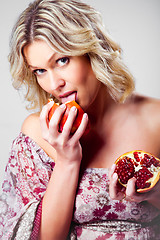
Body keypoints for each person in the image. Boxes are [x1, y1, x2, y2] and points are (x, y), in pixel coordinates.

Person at [0, 0, 160, 239]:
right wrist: (67, 160)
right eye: (40, 71)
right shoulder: (37, 133)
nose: (54, 84)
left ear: (92, 52)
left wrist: (154, 193)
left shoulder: (155, 118)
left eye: (62, 60)